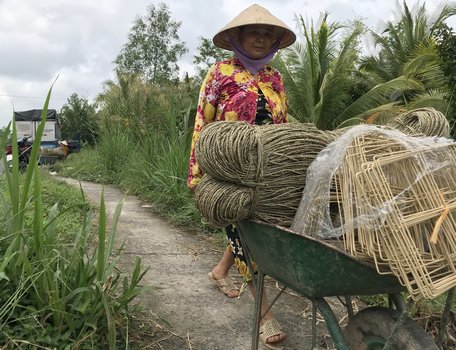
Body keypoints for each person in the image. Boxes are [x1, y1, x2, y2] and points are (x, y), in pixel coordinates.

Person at [187, 4, 296, 349]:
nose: (261, 39)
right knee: (243, 231)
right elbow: (202, 123)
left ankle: (220, 270)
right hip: (227, 171)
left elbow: (282, 126)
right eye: (255, 33)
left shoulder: (274, 78)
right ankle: (265, 315)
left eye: (268, 34)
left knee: (251, 228)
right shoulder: (220, 72)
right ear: (238, 37)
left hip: (265, 171)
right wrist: (197, 172)